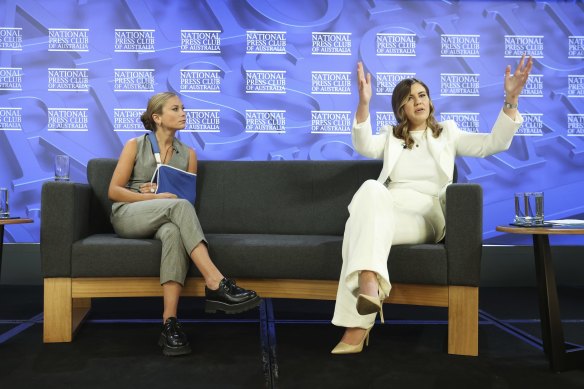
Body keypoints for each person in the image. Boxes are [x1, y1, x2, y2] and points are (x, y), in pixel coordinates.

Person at [331, 55, 533, 354]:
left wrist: (511, 99)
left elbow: (493, 143)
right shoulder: (390, 136)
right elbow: (363, 144)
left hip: (425, 215)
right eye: (410, 98)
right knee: (371, 188)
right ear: (401, 108)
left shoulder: (447, 133)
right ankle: (369, 282)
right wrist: (363, 102)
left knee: (356, 230)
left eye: (422, 95)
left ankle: (358, 324)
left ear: (430, 101)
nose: (418, 102)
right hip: (389, 209)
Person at [108, 92, 261, 356]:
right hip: (129, 214)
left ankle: (170, 324)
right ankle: (215, 281)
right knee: (177, 207)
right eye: (175, 109)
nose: (183, 113)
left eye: (183, 108)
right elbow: (113, 191)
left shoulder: (188, 154)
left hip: (165, 217)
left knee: (173, 233)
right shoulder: (135, 145)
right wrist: (147, 196)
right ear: (157, 117)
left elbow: (186, 199)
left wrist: (162, 199)